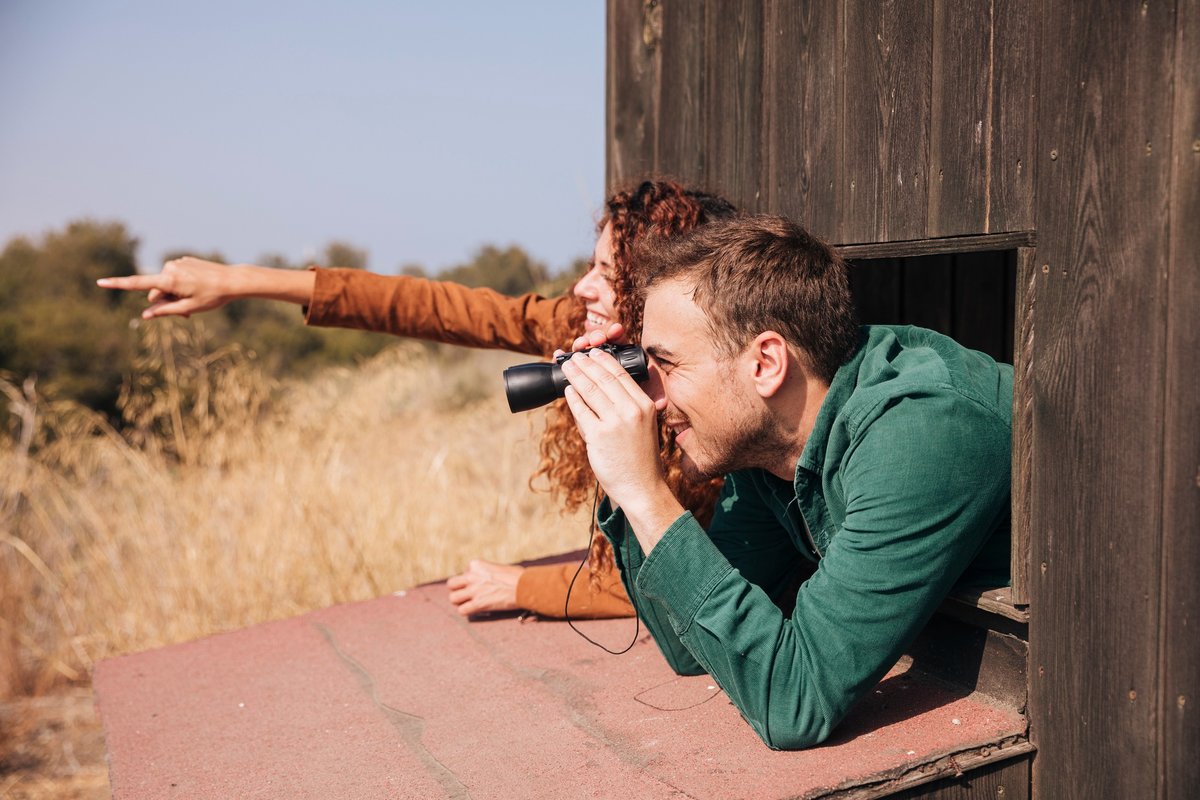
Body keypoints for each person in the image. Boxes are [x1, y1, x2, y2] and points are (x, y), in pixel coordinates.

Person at [97, 180, 733, 620]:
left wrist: (520, 586)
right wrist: (240, 282)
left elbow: (648, 584)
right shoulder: (578, 330)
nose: (581, 286)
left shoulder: (703, 407)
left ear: (653, 287)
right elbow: (433, 307)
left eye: (606, 273)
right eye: (587, 265)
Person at [557, 214, 1012, 749]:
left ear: (766, 363)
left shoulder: (922, 431)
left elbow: (795, 703)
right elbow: (690, 650)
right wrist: (620, 477)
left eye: (667, 364)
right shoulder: (770, 449)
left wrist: (644, 491)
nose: (652, 397)